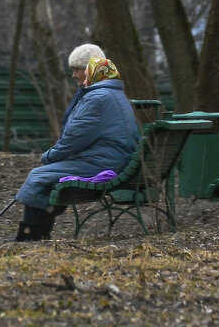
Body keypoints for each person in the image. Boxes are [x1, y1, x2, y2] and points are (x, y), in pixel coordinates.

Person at [13, 43, 139, 241]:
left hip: (105, 163)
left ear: (91, 70)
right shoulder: (113, 93)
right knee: (46, 177)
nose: (74, 75)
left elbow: (73, 139)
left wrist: (49, 156)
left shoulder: (96, 98)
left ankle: (30, 237)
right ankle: (39, 232)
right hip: (116, 159)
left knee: (38, 176)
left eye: (77, 70)